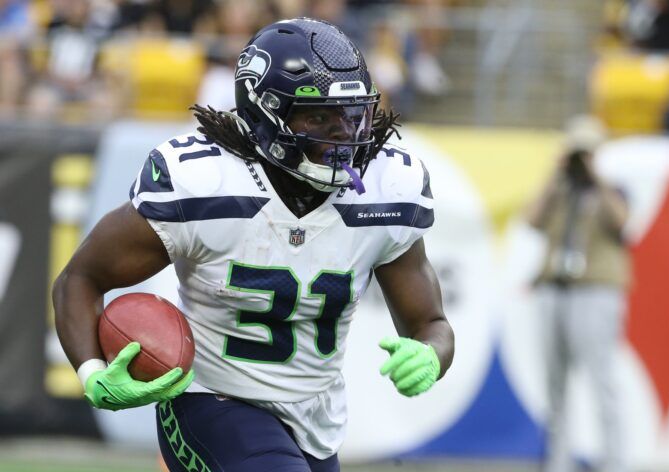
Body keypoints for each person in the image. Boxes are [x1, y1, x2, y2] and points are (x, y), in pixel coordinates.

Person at [52, 17, 454, 472]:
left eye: (353, 114)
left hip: (314, 419)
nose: (343, 134)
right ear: (266, 113)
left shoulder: (388, 187)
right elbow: (80, 277)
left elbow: (430, 323)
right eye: (320, 116)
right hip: (210, 401)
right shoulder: (204, 183)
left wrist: (430, 355)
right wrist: (90, 371)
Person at [526, 116, 630, 472]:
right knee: (555, 381)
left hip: (596, 291)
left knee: (602, 379)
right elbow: (532, 220)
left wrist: (596, 177)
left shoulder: (613, 189)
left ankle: (614, 461)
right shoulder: (561, 188)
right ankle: (559, 460)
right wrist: (555, 175)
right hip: (556, 289)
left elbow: (622, 223)